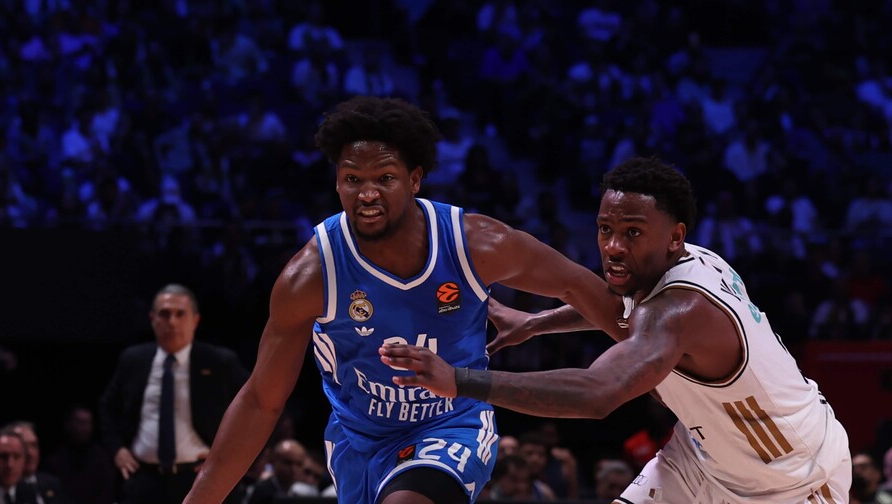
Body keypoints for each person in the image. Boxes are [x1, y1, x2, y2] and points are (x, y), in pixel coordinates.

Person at [183, 95, 628, 504]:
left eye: (385, 178)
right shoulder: (311, 275)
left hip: (451, 423)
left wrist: (658, 366)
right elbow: (262, 400)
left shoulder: (477, 243)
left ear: (415, 179)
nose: (368, 193)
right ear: (337, 184)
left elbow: (584, 289)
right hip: (357, 439)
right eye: (352, 179)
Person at [381, 156, 852, 503]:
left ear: (674, 235)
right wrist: (537, 323)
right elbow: (625, 308)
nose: (612, 246)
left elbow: (596, 392)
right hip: (701, 461)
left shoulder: (681, 309)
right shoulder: (682, 264)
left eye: (632, 232)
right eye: (605, 229)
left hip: (793, 478)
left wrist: (460, 382)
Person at [99, 284, 249, 504]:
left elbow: (256, 408)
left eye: (180, 314)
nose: (172, 322)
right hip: (143, 477)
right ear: (152, 319)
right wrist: (117, 449)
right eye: (164, 314)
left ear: (195, 320)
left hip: (200, 477)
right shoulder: (133, 359)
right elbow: (107, 406)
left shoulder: (220, 361)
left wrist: (231, 460)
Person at [42, 405, 115, 504]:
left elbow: (106, 493)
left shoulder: (102, 458)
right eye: (80, 423)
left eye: (88, 423)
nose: (85, 428)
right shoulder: (55, 460)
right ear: (68, 425)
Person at [5, 421, 67, 504]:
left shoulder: (51, 484)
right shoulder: (3, 488)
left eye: (34, 445)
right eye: (24, 446)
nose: (30, 453)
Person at [0, 428, 36, 504]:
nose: (10, 465)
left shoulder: (29, 493)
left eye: (17, 457)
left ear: (24, 460)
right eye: (3, 457)